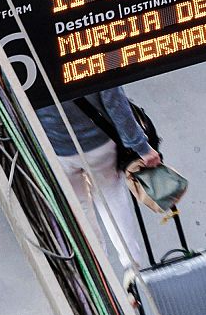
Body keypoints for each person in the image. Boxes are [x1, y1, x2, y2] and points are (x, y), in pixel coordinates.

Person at [36, 87, 162, 270]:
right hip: (99, 144)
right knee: (111, 195)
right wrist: (141, 146)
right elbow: (115, 102)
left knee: (79, 205)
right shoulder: (89, 58)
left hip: (59, 149)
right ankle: (131, 263)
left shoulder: (23, 62)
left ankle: (96, 262)